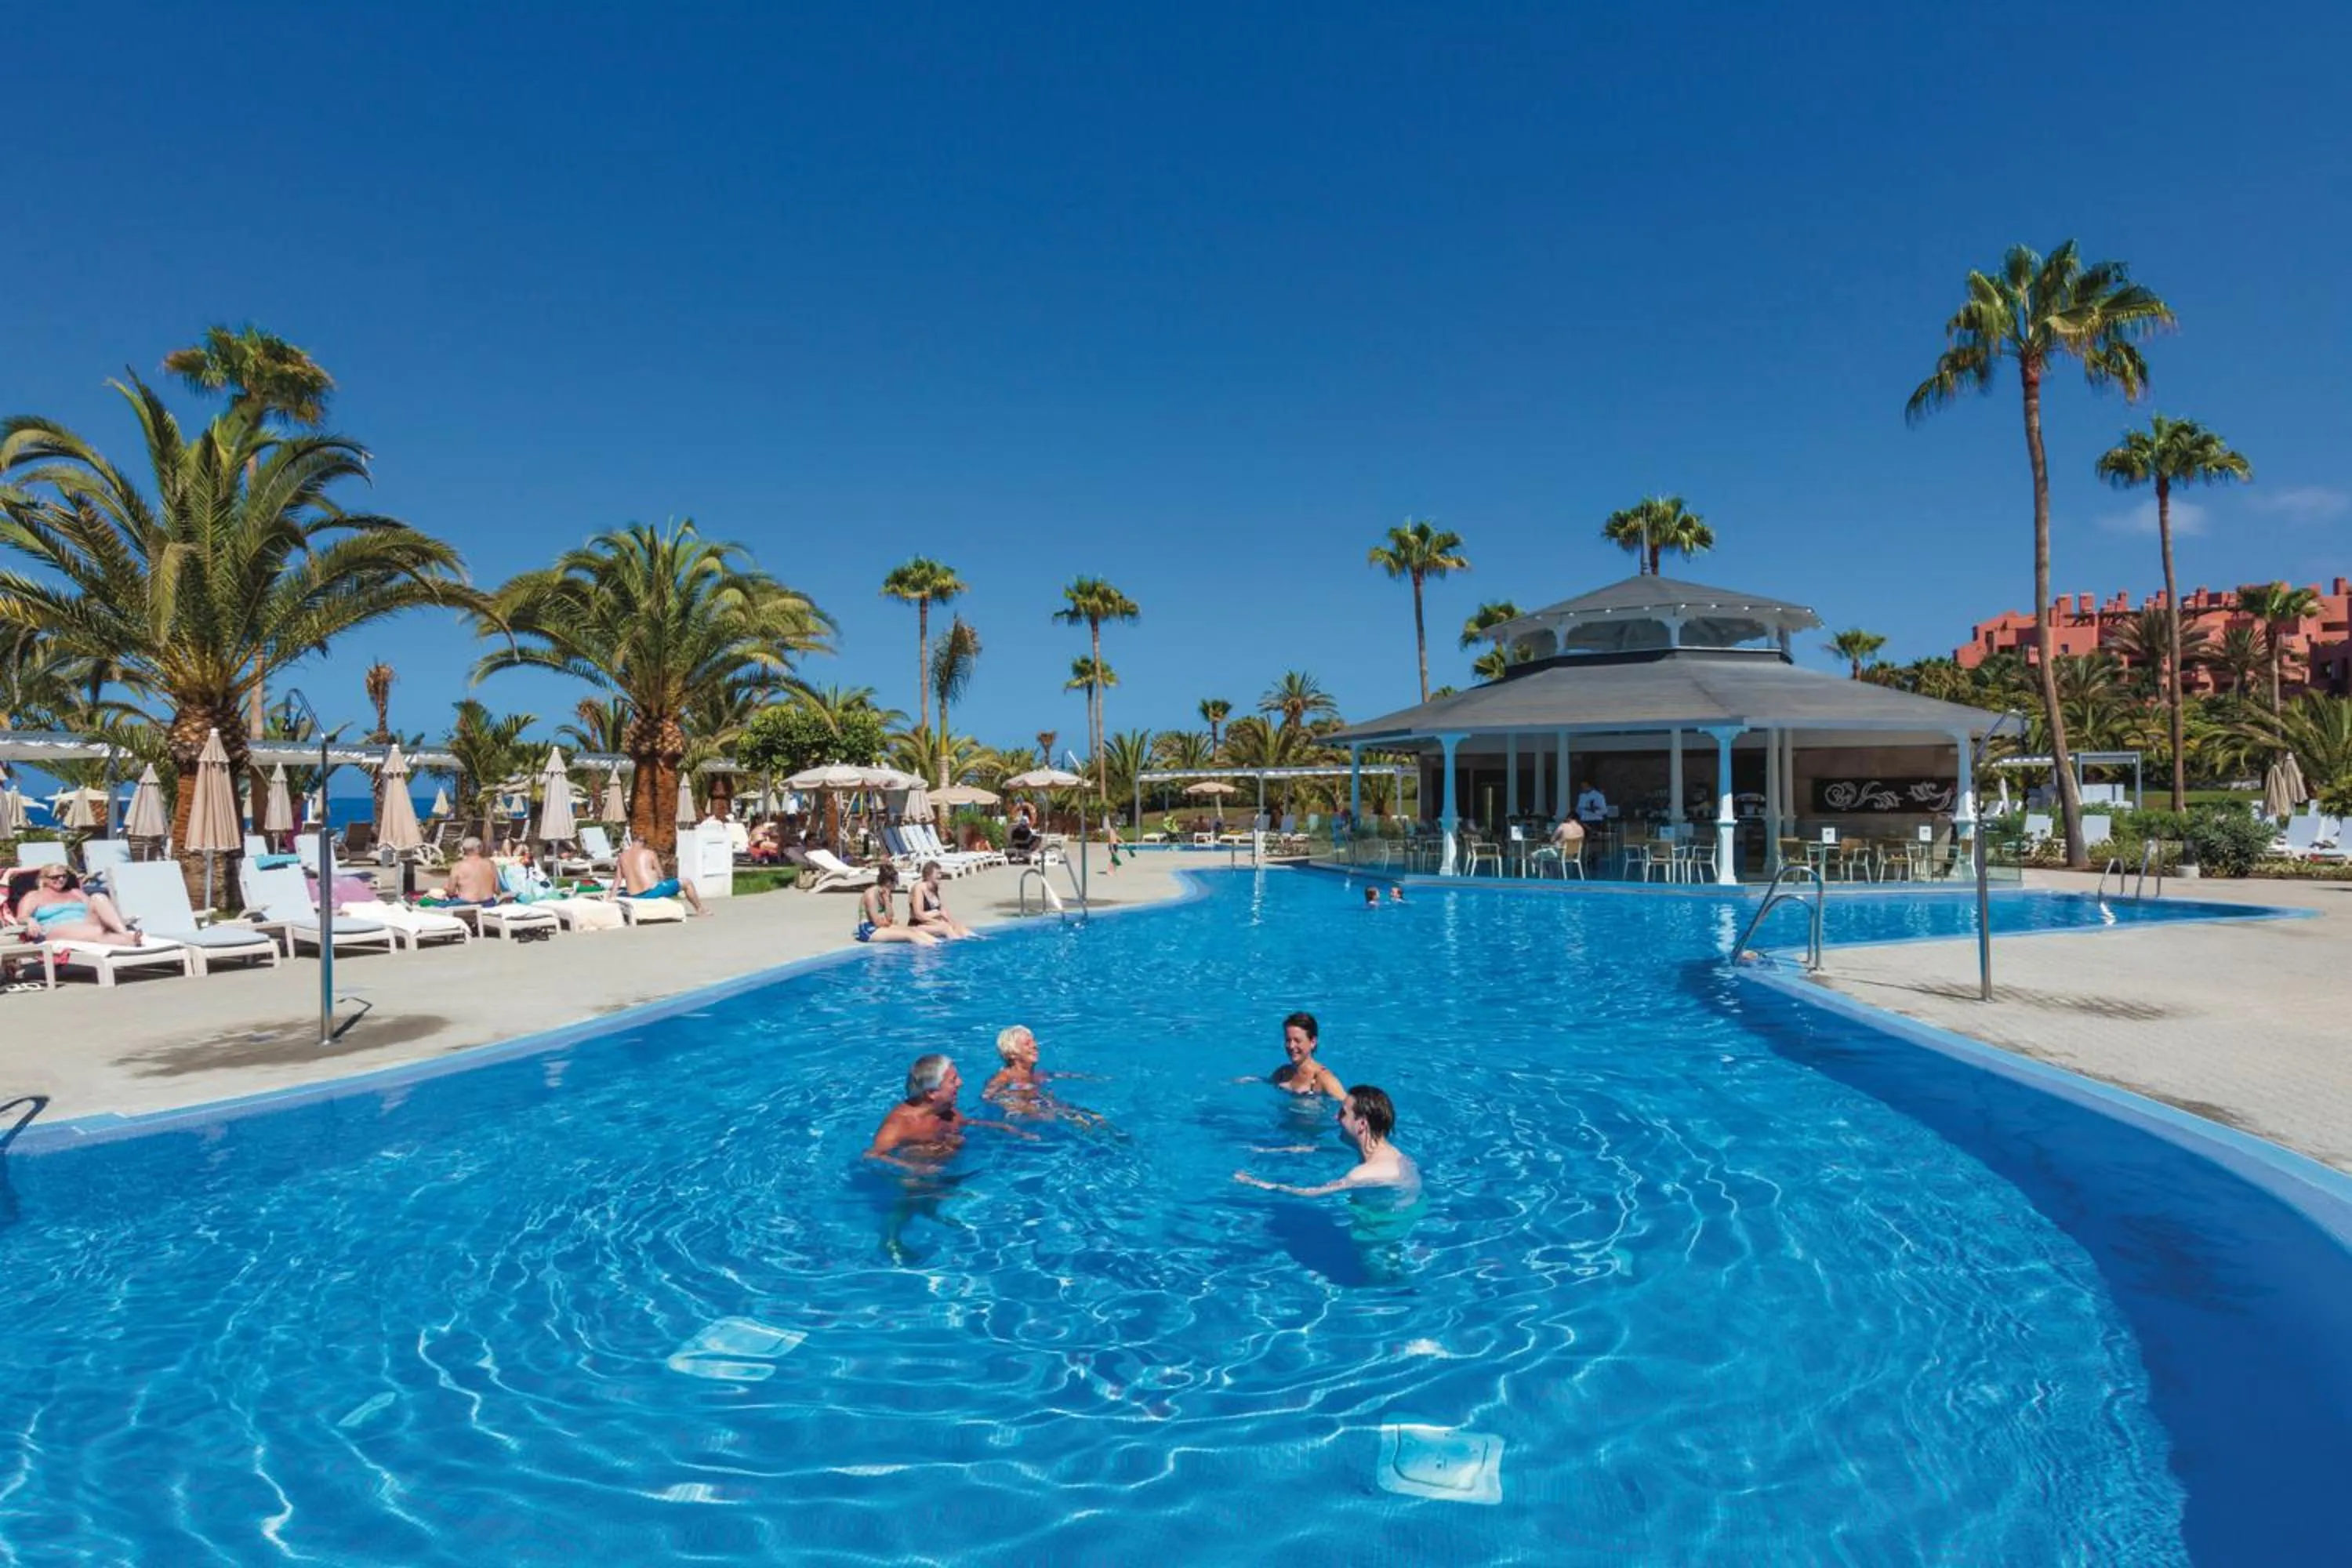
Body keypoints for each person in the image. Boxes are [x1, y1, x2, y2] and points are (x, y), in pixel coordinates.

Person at [1234, 1085, 1419, 1200]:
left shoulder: (1363, 1174)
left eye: (1343, 1113)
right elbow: (1325, 1149)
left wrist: (1256, 1183)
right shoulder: (1393, 1154)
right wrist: (1273, 1151)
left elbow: (1311, 1193)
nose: (1335, 1117)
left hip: (1380, 1241)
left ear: (1362, 1124)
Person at [865, 1054, 1027, 1167]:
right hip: (919, 1181)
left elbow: (966, 1122)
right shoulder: (899, 1125)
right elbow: (872, 1156)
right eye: (953, 1080)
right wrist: (913, 1168)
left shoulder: (946, 1111)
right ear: (932, 1093)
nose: (960, 1083)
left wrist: (1005, 1128)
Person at [13, 866, 145, 946]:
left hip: (84, 924)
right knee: (97, 931)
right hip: (55, 928)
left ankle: (125, 934)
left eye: (64, 876)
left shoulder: (75, 892)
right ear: (44, 879)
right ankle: (129, 940)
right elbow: (21, 917)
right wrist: (30, 920)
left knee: (98, 897)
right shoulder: (34, 896)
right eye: (55, 877)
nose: (61, 880)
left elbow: (95, 909)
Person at [617, 833, 709, 916]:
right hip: (651, 894)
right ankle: (700, 909)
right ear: (643, 842)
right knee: (687, 882)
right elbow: (661, 876)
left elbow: (618, 879)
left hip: (634, 895)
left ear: (632, 841)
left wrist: (612, 896)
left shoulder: (622, 856)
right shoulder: (649, 853)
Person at [1267, 1011, 1345, 1099]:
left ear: (1313, 1042)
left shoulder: (1325, 1079)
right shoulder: (1283, 1073)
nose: (1291, 1046)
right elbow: (1266, 1082)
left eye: (1298, 1041)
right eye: (1288, 1040)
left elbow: (1351, 1107)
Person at [857, 863, 936, 946]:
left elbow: (890, 917)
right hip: (868, 930)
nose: (897, 884)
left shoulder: (887, 894)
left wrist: (887, 899)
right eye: (895, 881)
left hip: (879, 926)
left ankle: (938, 945)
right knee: (910, 935)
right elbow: (877, 923)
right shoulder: (871, 894)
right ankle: (930, 950)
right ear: (888, 882)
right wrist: (888, 923)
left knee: (914, 930)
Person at [908, 861, 976, 940]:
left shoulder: (934, 888)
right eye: (937, 874)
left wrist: (952, 924)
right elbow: (918, 915)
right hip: (918, 925)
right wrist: (937, 921)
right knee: (946, 929)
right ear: (928, 875)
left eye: (940, 874)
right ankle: (957, 946)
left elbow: (942, 910)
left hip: (932, 923)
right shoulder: (919, 887)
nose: (940, 876)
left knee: (960, 928)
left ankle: (977, 941)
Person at [445, 837, 503, 903]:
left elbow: (451, 892)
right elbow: (497, 890)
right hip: (488, 903)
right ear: (480, 848)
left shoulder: (458, 867)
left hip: (466, 905)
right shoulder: (491, 864)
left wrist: (445, 888)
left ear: (463, 850)